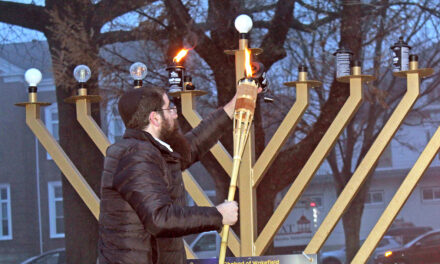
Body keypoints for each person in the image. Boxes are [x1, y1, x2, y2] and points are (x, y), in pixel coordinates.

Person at [98, 86, 239, 264]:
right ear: (155, 118)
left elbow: (192, 145)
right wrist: (217, 215)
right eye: (169, 108)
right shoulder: (136, 155)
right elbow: (159, 218)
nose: (175, 114)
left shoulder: (151, 151)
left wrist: (232, 108)